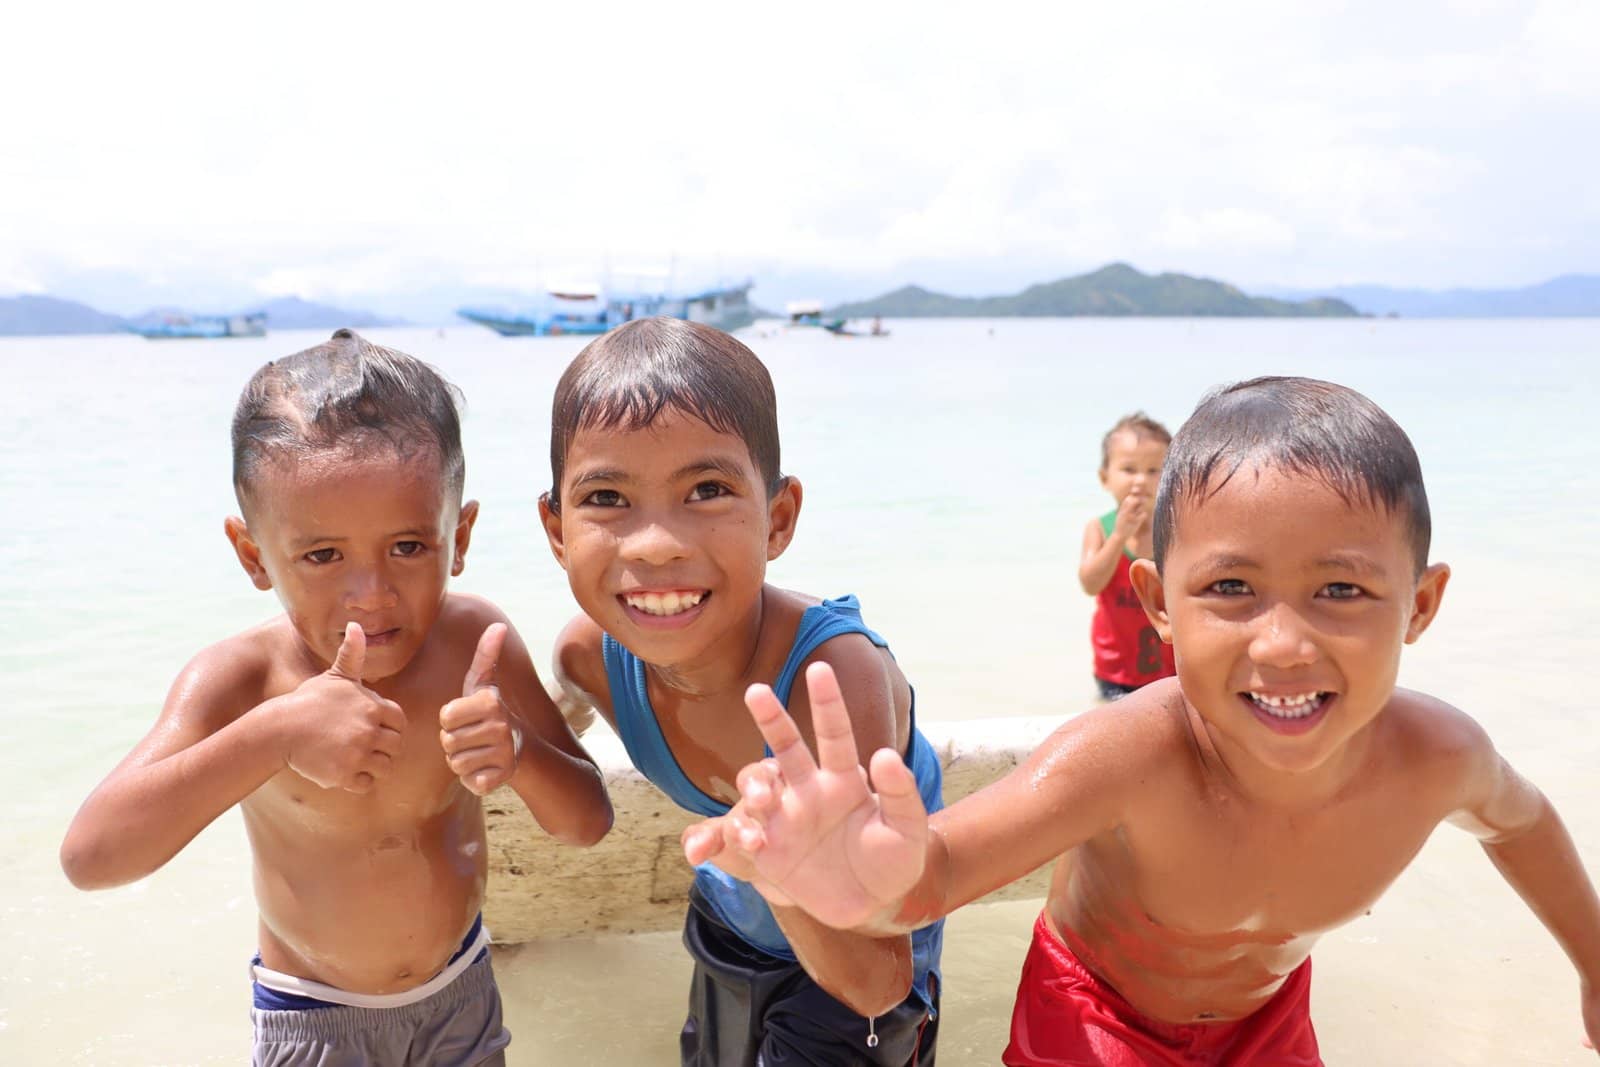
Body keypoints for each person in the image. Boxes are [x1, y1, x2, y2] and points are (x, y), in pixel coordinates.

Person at [686, 376, 1600, 1064]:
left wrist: (1594, 961)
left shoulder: (1439, 756)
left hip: (1268, 1018)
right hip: (1095, 1014)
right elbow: (943, 867)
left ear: (1421, 604)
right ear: (1160, 603)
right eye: (1232, 588)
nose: (1283, 643)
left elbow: (1520, 821)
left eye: (1342, 589)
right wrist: (843, 879)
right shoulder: (1128, 755)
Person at [60, 329, 613, 1067]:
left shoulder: (475, 645)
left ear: (459, 535)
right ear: (254, 554)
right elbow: (92, 856)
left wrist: (516, 752)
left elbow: (588, 822)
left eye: (409, 547)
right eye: (322, 555)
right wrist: (273, 735)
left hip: (462, 995)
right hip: (315, 1016)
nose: (372, 594)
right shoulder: (244, 681)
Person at [538, 316, 944, 1066]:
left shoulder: (831, 683)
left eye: (707, 488)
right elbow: (554, 736)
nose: (657, 541)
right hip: (732, 922)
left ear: (778, 518)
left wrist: (785, 882)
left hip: (852, 963)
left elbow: (878, 979)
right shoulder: (587, 657)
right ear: (556, 529)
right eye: (606, 497)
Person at [1079, 412, 1176, 700]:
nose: (1140, 481)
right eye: (1129, 469)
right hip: (1116, 669)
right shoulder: (1100, 529)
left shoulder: (1177, 528)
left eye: (1153, 470)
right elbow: (1090, 584)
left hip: (1172, 669)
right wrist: (1120, 535)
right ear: (1104, 478)